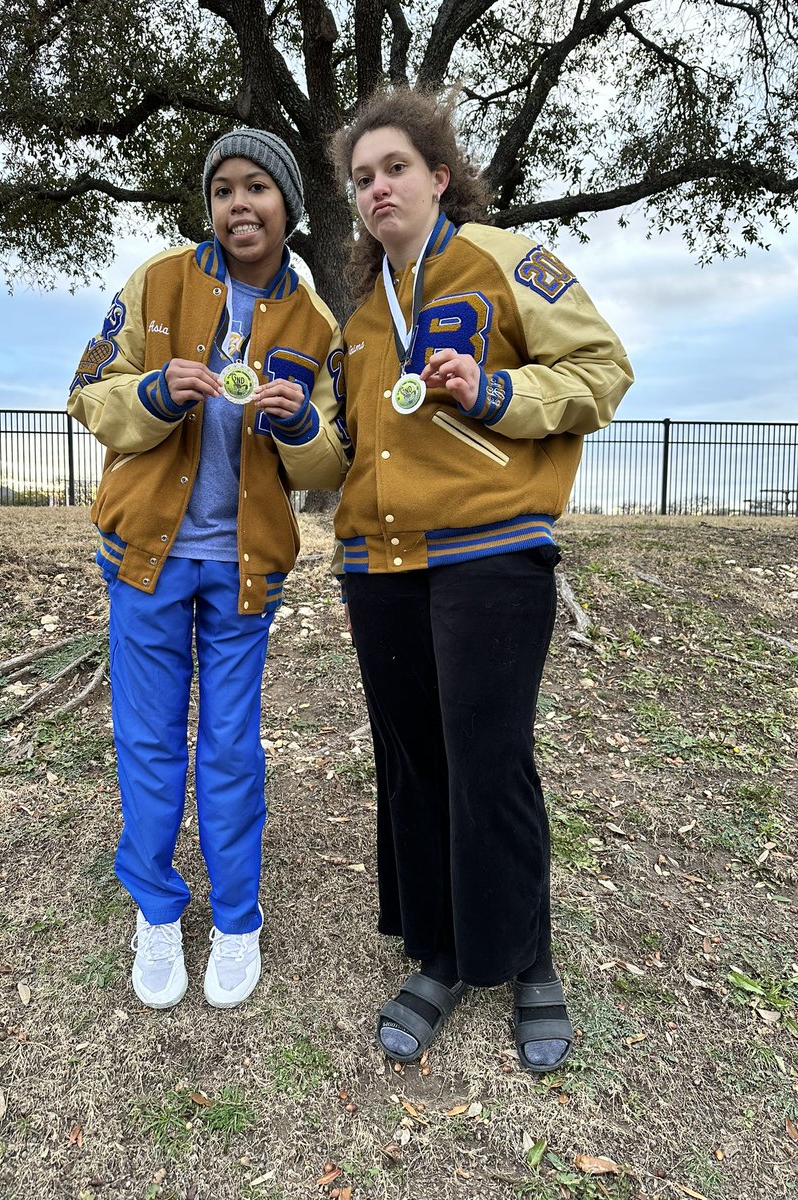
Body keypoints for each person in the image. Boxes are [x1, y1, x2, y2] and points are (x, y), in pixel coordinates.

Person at [329, 89, 633, 1071]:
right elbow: (344, 452)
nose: (378, 188)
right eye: (363, 177)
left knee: (488, 759)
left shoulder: (505, 263)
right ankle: (446, 952)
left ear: (439, 177)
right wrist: (296, 430)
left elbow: (600, 370)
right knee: (417, 762)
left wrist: (497, 390)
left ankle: (527, 956)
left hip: (490, 554)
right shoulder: (361, 316)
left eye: (395, 169)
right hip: (379, 566)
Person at [68, 129, 349, 1011]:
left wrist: (300, 425)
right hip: (145, 562)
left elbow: (332, 463)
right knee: (149, 741)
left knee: (230, 746)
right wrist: (153, 394)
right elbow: (87, 394)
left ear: (290, 207)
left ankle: (238, 918)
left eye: (257, 187)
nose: (239, 204)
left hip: (243, 571)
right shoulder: (157, 282)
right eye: (223, 188)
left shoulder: (316, 325)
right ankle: (156, 911)